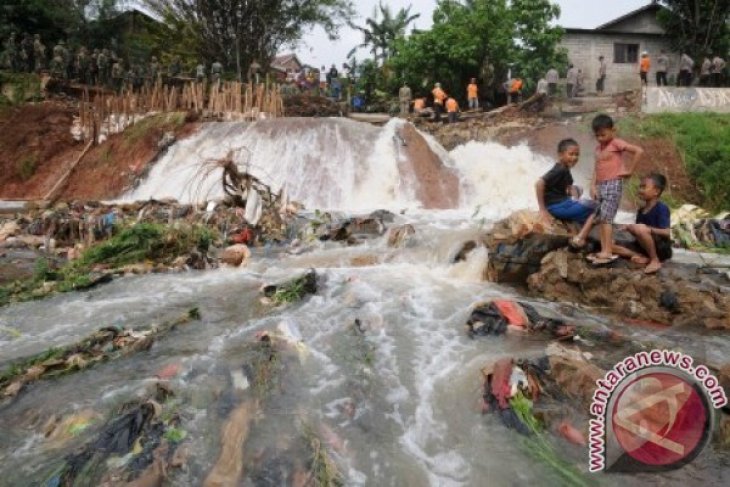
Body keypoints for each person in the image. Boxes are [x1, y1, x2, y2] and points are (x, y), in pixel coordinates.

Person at [582, 114, 644, 265]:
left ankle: (608, 250)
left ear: (613, 130)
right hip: (601, 186)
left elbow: (638, 151)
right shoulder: (598, 149)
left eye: (603, 134)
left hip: (613, 184)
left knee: (607, 218)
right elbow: (597, 168)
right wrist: (592, 185)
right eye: (597, 136)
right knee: (603, 217)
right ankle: (605, 248)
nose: (601, 138)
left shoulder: (616, 143)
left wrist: (630, 170)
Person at [613, 174, 672, 274]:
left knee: (640, 228)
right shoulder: (641, 211)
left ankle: (654, 260)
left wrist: (648, 229)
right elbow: (638, 233)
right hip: (643, 247)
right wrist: (629, 228)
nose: (640, 190)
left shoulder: (661, 208)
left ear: (656, 191)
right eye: (640, 187)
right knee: (609, 243)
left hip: (660, 249)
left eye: (644, 187)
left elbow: (667, 232)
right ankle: (639, 255)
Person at [536, 138, 596, 228]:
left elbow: (570, 187)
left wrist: (576, 200)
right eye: (571, 154)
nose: (575, 157)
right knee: (598, 207)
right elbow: (539, 184)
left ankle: (579, 217)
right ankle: (581, 220)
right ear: (560, 155)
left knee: (579, 189)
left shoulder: (565, 169)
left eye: (577, 155)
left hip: (563, 202)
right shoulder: (559, 170)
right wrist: (542, 209)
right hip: (556, 207)